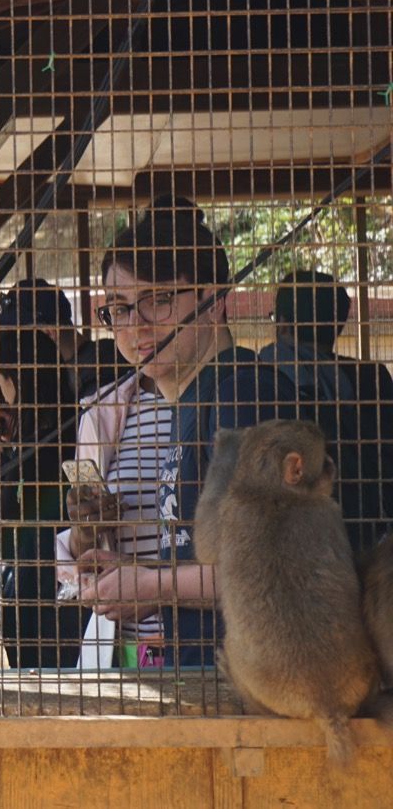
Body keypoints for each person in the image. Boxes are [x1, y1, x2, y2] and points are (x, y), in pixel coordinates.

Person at [75, 197, 301, 668]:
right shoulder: (188, 406)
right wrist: (140, 573)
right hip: (205, 683)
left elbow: (269, 566)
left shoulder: (242, 392)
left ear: (214, 301)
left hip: (262, 691)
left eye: (158, 300)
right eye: (119, 308)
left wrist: (155, 586)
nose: (136, 325)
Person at [0, 322, 83, 669]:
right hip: (71, 601)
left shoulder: (27, 449)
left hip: (39, 601)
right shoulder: (76, 428)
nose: (2, 393)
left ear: (18, 381)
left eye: (2, 381)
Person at [259, 269, 393, 554]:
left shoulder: (262, 371)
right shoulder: (371, 377)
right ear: (338, 326)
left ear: (282, 323)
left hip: (303, 542)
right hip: (373, 537)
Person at [0, 277, 128, 399]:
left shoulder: (96, 384)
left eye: (16, 341)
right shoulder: (102, 359)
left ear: (49, 334)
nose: (10, 350)